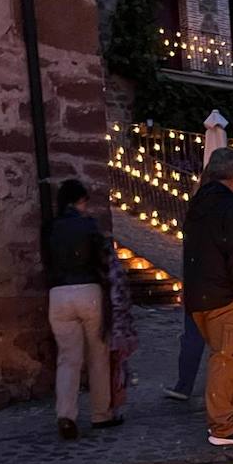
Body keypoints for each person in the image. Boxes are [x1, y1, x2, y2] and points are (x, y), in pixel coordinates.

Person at [182, 146, 233, 445]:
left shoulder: (198, 206)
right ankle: (222, 426)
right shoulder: (231, 208)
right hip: (225, 297)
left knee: (229, 355)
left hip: (201, 296)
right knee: (227, 359)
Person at [45, 178, 116, 440]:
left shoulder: (50, 227)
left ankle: (66, 414)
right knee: (98, 354)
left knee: (68, 358)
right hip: (88, 290)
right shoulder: (88, 226)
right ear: (80, 201)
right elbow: (103, 258)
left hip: (58, 293)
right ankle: (100, 413)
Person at [102, 238, 138, 420]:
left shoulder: (97, 269)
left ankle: (106, 407)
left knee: (108, 365)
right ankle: (113, 406)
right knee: (116, 366)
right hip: (116, 324)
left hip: (105, 322)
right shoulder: (114, 270)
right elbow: (121, 298)